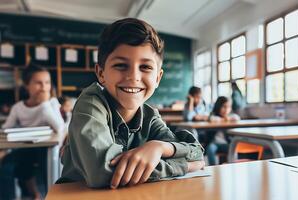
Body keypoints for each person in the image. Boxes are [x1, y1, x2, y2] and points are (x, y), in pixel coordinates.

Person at [58, 18, 205, 189]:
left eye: (145, 67)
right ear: (101, 73)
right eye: (121, 65)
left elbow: (197, 154)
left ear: (158, 78)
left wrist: (160, 147)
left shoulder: (149, 116)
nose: (134, 76)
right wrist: (184, 167)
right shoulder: (90, 103)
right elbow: (103, 173)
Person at [1, 64, 65, 199]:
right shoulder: (18, 108)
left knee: (49, 164)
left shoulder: (51, 104)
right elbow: (6, 129)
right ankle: (33, 193)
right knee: (8, 166)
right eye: (38, 83)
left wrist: (45, 104)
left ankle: (52, 195)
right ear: (27, 85)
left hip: (46, 149)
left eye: (47, 83)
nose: (43, 87)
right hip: (26, 148)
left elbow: (59, 127)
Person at [206, 96, 240, 165]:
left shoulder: (231, 116)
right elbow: (211, 119)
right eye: (224, 107)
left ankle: (232, 166)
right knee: (210, 150)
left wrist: (228, 118)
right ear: (218, 106)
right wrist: (224, 119)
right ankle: (213, 167)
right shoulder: (213, 115)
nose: (226, 110)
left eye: (229, 107)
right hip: (214, 143)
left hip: (225, 143)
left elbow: (237, 117)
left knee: (233, 149)